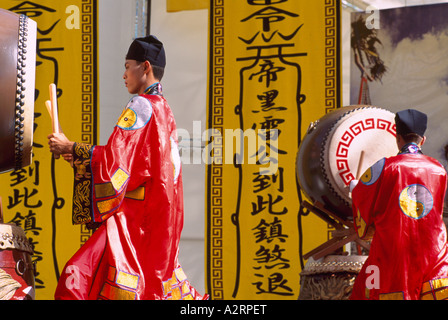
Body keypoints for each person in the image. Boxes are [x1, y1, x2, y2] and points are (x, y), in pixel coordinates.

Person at [48, 35, 206, 300]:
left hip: (133, 223)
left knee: (76, 279)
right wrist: (80, 156)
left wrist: (71, 147)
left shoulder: (141, 106)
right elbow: (136, 166)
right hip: (158, 225)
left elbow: (117, 164)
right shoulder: (164, 110)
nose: (124, 74)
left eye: (127, 65)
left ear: (145, 67)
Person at [350, 109, 448, 300]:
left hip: (393, 248)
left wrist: (355, 187)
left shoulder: (384, 166)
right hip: (433, 249)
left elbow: (362, 195)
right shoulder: (439, 168)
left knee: (370, 288)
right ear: (423, 140)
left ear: (398, 138)